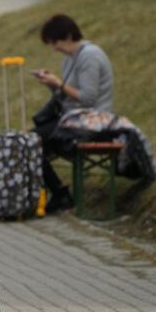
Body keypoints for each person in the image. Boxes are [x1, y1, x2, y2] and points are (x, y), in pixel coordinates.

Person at [33, 14, 114, 212]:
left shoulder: (90, 56)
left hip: (93, 120)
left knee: (32, 142)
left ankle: (60, 194)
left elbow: (87, 98)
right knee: (30, 141)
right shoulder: (69, 59)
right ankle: (59, 193)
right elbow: (67, 96)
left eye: (56, 42)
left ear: (69, 35)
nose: (55, 48)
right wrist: (52, 85)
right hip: (74, 118)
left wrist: (58, 83)